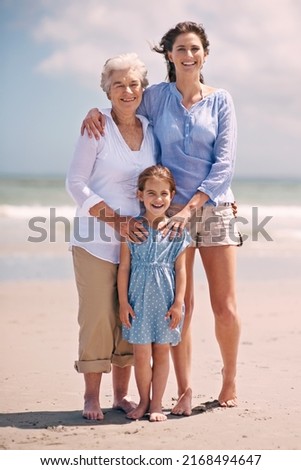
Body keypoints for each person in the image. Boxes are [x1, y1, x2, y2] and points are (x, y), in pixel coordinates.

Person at [81, 21, 242, 415]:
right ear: (169, 56)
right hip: (167, 215)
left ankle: (229, 379)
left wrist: (191, 209)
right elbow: (125, 98)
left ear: (205, 53)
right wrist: (97, 111)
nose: (188, 55)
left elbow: (225, 164)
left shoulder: (221, 100)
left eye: (195, 48)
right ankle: (184, 392)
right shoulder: (157, 98)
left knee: (225, 306)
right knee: (181, 303)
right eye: (180, 49)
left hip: (212, 208)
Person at [66, 52, 157, 420]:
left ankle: (121, 395)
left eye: (133, 83)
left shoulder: (152, 127)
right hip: (95, 241)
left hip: (136, 245)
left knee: (127, 317)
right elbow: (75, 183)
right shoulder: (96, 126)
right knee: (98, 317)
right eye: (118, 83)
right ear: (106, 90)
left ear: (142, 89)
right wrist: (116, 221)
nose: (126, 90)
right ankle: (91, 396)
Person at [118, 165, 191, 421]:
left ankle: (157, 404)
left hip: (165, 303)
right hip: (138, 303)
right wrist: (123, 303)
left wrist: (178, 303)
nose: (157, 199)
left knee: (161, 353)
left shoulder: (177, 232)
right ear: (140, 195)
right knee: (141, 355)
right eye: (151, 193)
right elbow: (124, 267)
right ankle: (143, 402)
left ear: (172, 195)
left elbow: (181, 271)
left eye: (163, 193)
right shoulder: (131, 229)